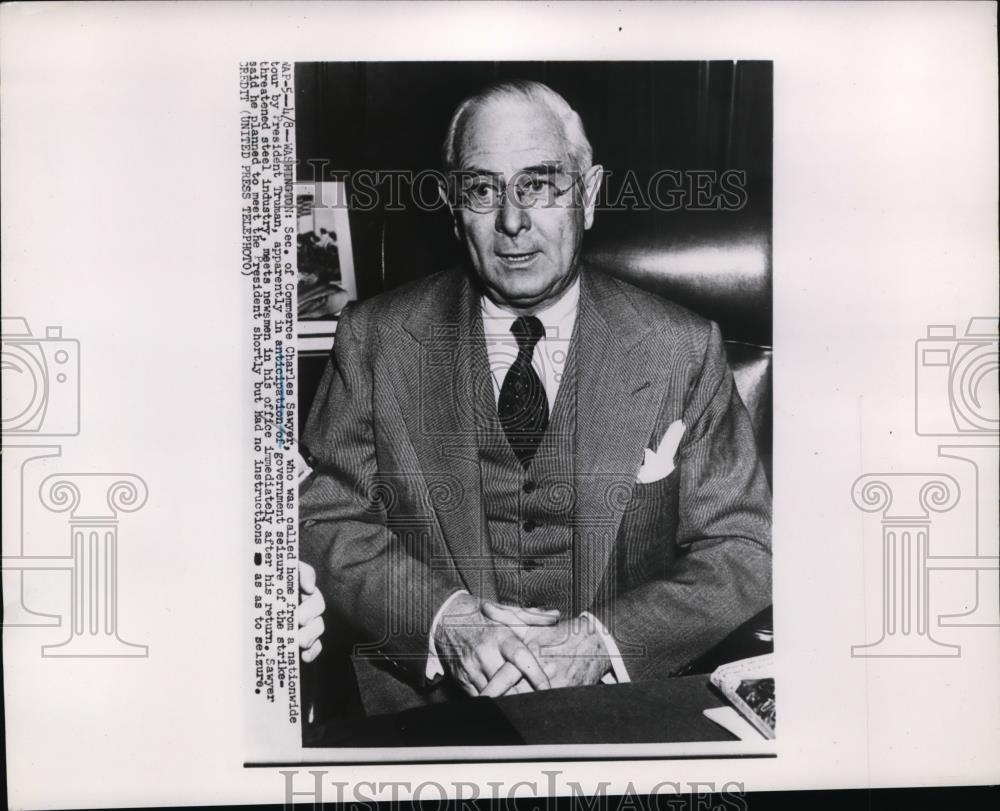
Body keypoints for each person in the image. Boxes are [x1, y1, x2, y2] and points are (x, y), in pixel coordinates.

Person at [300, 80, 771, 716]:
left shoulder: (681, 349)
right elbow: (321, 517)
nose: (513, 220)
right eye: (483, 189)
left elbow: (743, 546)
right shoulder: (375, 339)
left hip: (620, 704)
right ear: (451, 205)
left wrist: (603, 641)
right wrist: (442, 621)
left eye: (540, 184)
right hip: (424, 711)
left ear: (591, 195)